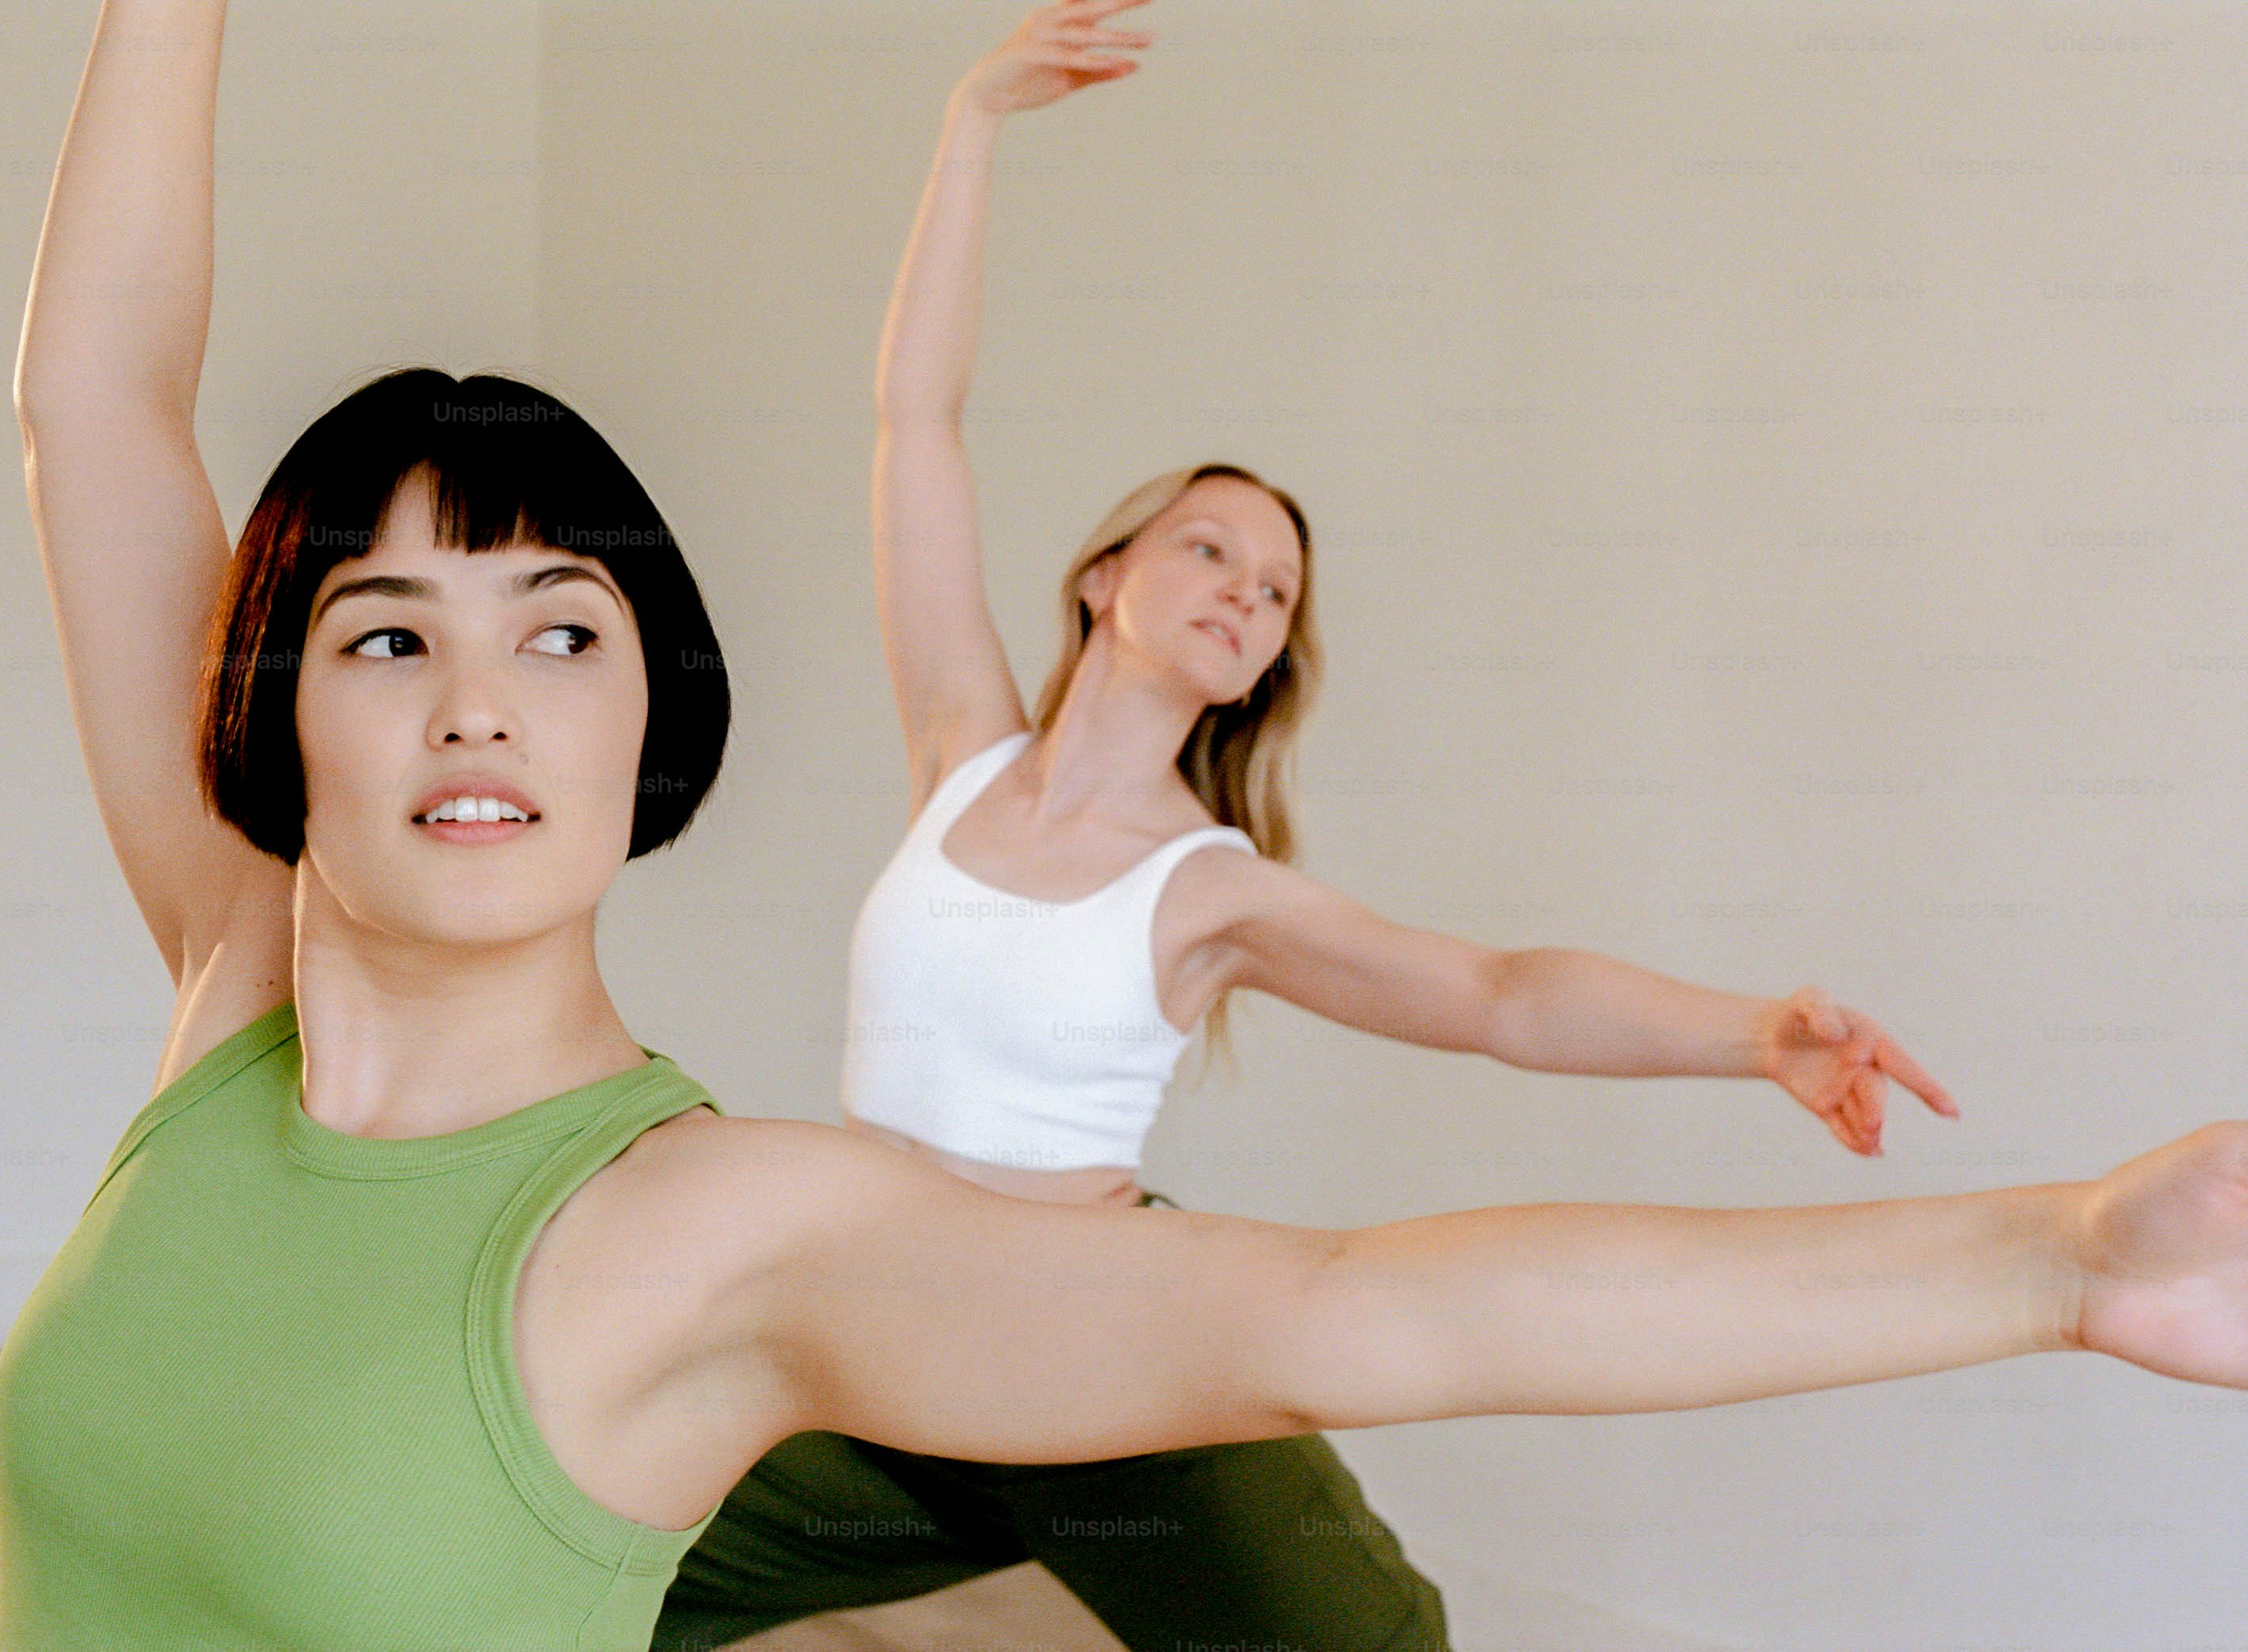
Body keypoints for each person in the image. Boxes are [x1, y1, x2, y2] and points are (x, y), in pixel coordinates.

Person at [0, 3, 2248, 1650]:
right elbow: (97, 394)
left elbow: (1391, 1251)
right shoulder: (239, 980)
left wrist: (2041, 1249)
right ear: (267, 713)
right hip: (886, 1385)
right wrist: (965, 123)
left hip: (1042, 1295)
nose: (477, 690)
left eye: (562, 632)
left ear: (653, 719)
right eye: (387, 633)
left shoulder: (765, 1204)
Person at [657, 6, 1952, 1648]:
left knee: (1372, 1645)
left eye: (1271, 591)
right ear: (1102, 577)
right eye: (1208, 549)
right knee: (590, 1565)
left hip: (1093, 1356)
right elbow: (915, 424)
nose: (1242, 591)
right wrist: (970, 122)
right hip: (865, 1344)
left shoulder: (1205, 891)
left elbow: (1492, 993)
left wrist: (1748, 1033)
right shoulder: (958, 750)